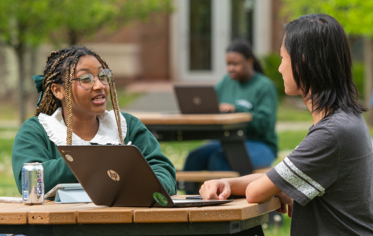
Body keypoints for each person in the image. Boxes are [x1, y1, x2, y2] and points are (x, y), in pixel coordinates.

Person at [199, 14, 373, 235]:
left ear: (302, 62)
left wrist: (278, 189)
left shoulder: (332, 133)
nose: (280, 69)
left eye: (283, 58)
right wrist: (231, 183)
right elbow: (275, 176)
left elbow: (256, 191)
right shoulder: (345, 121)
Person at [12, 46, 177, 195]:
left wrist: (135, 182)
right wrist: (99, 161)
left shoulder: (126, 126)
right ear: (58, 90)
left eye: (103, 76)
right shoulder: (37, 130)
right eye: (85, 79)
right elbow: (30, 182)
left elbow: (164, 174)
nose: (99, 85)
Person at [183, 39, 278, 172]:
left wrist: (236, 110)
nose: (230, 68)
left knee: (219, 159)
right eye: (228, 64)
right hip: (225, 142)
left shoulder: (264, 86)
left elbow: (265, 123)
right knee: (194, 157)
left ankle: (226, 193)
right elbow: (211, 104)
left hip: (260, 145)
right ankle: (190, 193)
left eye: (235, 64)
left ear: (249, 62)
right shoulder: (226, 82)